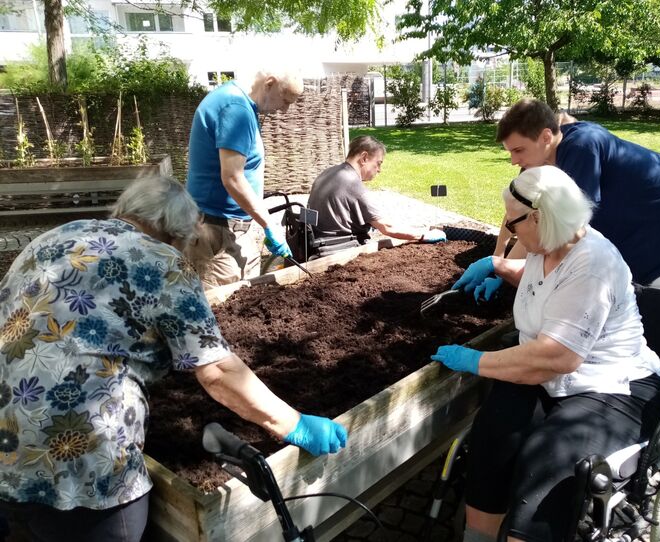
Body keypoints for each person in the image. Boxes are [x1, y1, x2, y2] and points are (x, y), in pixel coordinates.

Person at [0, 177, 347, 542]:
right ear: (176, 233)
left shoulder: (55, 237)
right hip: (76, 456)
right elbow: (216, 371)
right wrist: (294, 424)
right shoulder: (163, 262)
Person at [434, 166, 660, 542]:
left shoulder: (594, 265)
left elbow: (556, 358)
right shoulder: (550, 245)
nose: (509, 231)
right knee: (493, 436)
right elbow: (544, 276)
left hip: (608, 384)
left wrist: (474, 360)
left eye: (513, 223)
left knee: (549, 464)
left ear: (541, 217)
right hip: (548, 377)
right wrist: (497, 266)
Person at [489, 98, 660, 294]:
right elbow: (520, 214)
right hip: (648, 228)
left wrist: (506, 268)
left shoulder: (582, 147)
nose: (513, 161)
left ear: (546, 137)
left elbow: (561, 229)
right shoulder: (538, 160)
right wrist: (499, 259)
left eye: (518, 150)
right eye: (510, 152)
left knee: (654, 316)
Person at [186, 69, 304, 290]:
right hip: (217, 233)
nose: (285, 110)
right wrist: (268, 224)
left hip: (230, 228)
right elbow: (232, 177)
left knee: (245, 301)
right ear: (269, 83)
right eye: (285, 100)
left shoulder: (239, 103)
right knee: (224, 306)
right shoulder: (235, 108)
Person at [306, 135, 447, 247]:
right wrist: (423, 235)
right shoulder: (353, 185)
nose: (379, 170)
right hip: (339, 250)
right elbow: (387, 227)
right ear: (364, 158)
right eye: (378, 163)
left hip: (315, 243)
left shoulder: (327, 173)